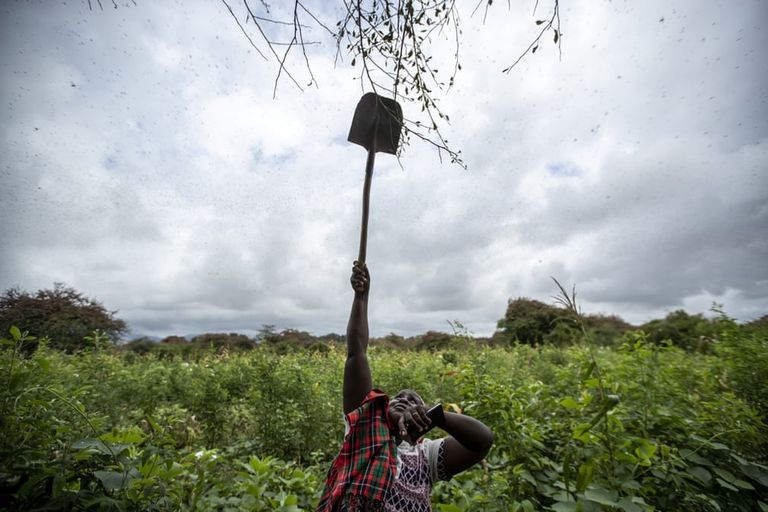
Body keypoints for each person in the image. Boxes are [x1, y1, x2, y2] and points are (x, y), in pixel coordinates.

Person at [317, 262, 494, 512]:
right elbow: (357, 352)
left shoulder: (427, 455)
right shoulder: (364, 429)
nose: (403, 400)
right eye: (398, 398)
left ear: (423, 419)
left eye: (414, 402)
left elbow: (482, 441)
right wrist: (361, 296)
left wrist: (438, 417)